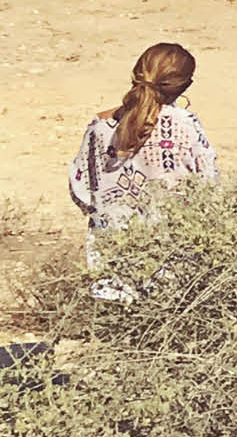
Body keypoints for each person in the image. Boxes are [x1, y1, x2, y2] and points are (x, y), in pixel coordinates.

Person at [67, 43, 217, 299]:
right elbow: (209, 186)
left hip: (111, 270)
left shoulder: (99, 126)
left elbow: (80, 188)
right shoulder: (186, 126)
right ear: (184, 86)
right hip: (173, 273)